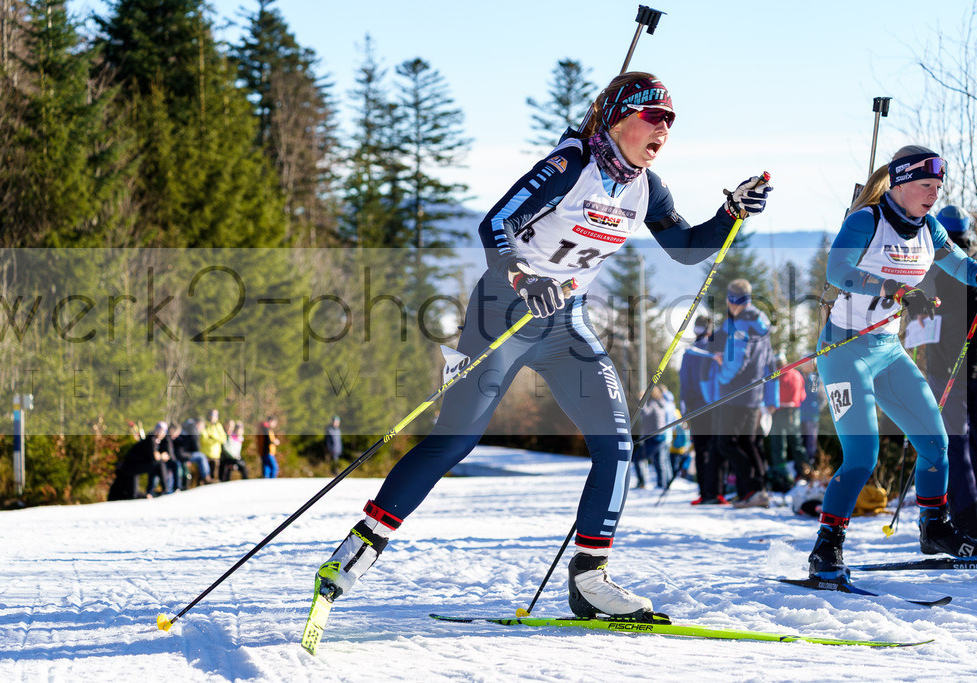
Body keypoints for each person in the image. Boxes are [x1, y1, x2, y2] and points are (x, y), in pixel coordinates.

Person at [313, 72, 772, 619]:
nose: (663, 131)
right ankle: (356, 551)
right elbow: (495, 226)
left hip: (564, 325)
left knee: (617, 444)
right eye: (653, 118)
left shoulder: (648, 187)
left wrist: (731, 213)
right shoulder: (570, 166)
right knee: (454, 443)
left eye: (670, 123)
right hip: (501, 314)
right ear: (618, 117)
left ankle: (589, 579)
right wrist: (522, 279)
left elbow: (688, 249)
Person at [808, 147, 977, 582]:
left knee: (936, 445)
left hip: (887, 350)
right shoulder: (866, 221)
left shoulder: (931, 229)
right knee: (862, 456)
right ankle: (827, 546)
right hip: (844, 352)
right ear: (900, 183)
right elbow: (838, 271)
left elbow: (961, 266)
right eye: (925, 185)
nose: (933, 195)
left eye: (938, 187)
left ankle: (934, 527)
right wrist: (895, 290)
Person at [917, 204, 977, 535]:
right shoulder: (971, 263)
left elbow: (918, 312)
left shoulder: (936, 266)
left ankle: (967, 520)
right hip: (966, 366)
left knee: (953, 442)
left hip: (948, 367)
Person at [711, 279, 779, 509]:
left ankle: (752, 490)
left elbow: (737, 359)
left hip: (735, 393)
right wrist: (771, 394)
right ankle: (756, 490)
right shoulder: (760, 323)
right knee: (747, 443)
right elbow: (770, 361)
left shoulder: (741, 324)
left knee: (726, 443)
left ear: (731, 300)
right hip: (754, 392)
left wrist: (722, 372)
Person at [680, 315, 726, 505]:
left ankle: (705, 492)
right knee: (717, 447)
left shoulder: (690, 352)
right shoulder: (716, 349)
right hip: (717, 405)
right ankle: (718, 492)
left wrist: (685, 409)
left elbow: (685, 383)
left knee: (702, 450)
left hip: (697, 406)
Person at [768, 351, 806, 491]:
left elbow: (774, 397)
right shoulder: (797, 374)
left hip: (780, 413)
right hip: (794, 412)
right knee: (796, 445)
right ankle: (805, 473)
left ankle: (782, 479)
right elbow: (803, 396)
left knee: (778, 446)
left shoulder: (778, 376)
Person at [107, 422, 170, 501]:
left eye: (163, 431)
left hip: (132, 468)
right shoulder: (151, 439)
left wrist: (159, 456)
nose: (161, 433)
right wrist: (161, 456)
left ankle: (151, 492)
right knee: (159, 463)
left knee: (132, 494)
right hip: (131, 468)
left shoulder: (153, 440)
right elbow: (154, 458)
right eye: (159, 430)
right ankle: (165, 489)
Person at [798, 362, 825, 474]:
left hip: (811, 416)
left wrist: (817, 408)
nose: (807, 366)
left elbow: (819, 396)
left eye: (809, 363)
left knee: (810, 442)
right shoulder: (798, 375)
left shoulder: (814, 378)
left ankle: (809, 467)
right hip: (798, 415)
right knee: (798, 442)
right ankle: (799, 468)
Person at [201, 409, 228, 480]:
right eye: (213, 415)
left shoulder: (218, 426)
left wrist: (213, 437)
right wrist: (215, 440)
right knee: (204, 477)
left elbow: (223, 439)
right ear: (209, 415)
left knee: (214, 477)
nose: (215, 417)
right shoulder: (205, 425)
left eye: (217, 415)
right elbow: (204, 440)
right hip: (205, 455)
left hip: (215, 455)